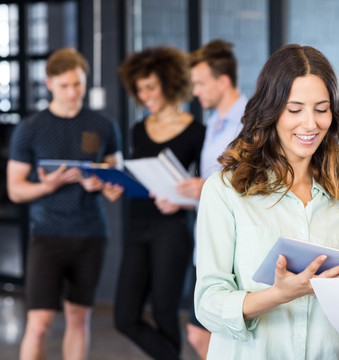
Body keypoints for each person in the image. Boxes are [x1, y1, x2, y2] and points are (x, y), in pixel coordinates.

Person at [194, 44, 339, 359]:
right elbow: (208, 304)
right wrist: (277, 295)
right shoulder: (225, 191)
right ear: (271, 110)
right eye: (294, 109)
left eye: (321, 108)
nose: (310, 123)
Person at [7, 48, 122, 360]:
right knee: (40, 322)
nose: (73, 93)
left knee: (79, 319)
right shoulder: (30, 129)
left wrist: (102, 182)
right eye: (64, 86)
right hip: (47, 235)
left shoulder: (103, 126)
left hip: (90, 235)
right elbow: (15, 191)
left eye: (78, 84)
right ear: (49, 84)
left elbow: (116, 185)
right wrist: (48, 185)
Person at [114, 46, 205, 360]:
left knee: (166, 316)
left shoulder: (196, 132)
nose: (145, 95)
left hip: (173, 230)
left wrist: (184, 203)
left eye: (150, 86)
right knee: (124, 317)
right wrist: (116, 185)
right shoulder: (137, 130)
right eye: (139, 89)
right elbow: (142, 179)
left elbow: (207, 191)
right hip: (137, 228)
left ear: (169, 82)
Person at [177, 39, 247, 360]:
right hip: (207, 240)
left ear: (223, 81)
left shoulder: (249, 123)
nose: (195, 92)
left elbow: (252, 183)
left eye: (200, 83)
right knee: (202, 331)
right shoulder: (214, 124)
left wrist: (203, 186)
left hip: (233, 245)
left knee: (203, 331)